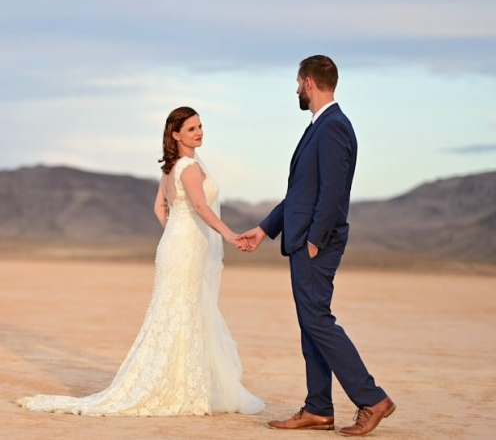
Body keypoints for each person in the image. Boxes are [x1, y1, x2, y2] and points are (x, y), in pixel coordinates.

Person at [16, 106, 264, 416]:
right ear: (175, 134)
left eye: (200, 126)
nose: (199, 132)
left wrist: (175, 232)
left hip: (177, 245)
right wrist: (228, 234)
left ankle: (185, 384)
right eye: (191, 129)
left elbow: (159, 209)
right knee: (183, 312)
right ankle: (181, 388)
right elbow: (200, 207)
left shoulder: (170, 168)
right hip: (184, 247)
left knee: (177, 312)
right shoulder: (188, 168)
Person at [240, 55, 395, 436]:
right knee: (311, 322)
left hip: (315, 243)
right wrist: (264, 229)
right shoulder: (321, 126)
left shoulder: (333, 127)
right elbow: (300, 194)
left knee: (318, 321)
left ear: (308, 82)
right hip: (302, 239)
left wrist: (313, 240)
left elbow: (332, 193)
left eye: (297, 82)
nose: (296, 89)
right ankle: (319, 408)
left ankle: (372, 398)